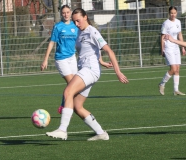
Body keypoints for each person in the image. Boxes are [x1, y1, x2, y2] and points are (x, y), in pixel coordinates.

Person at [46, 8, 129, 141]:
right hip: (86, 69)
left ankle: (62, 130)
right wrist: (100, 60)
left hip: (90, 70)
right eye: (74, 21)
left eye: (78, 20)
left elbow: (109, 51)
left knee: (68, 92)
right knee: (77, 106)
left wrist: (118, 72)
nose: (76, 24)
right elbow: (93, 49)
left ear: (85, 17)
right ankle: (101, 133)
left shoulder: (92, 31)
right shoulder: (79, 32)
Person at [41, 5, 113, 114]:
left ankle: (65, 105)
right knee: (71, 83)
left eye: (67, 12)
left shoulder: (76, 26)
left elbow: (92, 46)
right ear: (61, 14)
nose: (66, 14)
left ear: (71, 13)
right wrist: (45, 59)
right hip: (61, 59)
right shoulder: (58, 27)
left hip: (72, 58)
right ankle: (65, 106)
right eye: (63, 12)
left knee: (73, 85)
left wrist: (101, 61)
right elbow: (51, 43)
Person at [158, 6, 186, 96]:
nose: (173, 15)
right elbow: (162, 37)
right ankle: (162, 84)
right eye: (171, 13)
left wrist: (183, 47)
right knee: (173, 69)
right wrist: (162, 49)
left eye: (174, 13)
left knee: (177, 69)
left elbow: (180, 35)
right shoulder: (166, 23)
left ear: (176, 13)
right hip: (168, 47)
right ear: (169, 13)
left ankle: (176, 90)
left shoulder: (178, 22)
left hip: (176, 47)